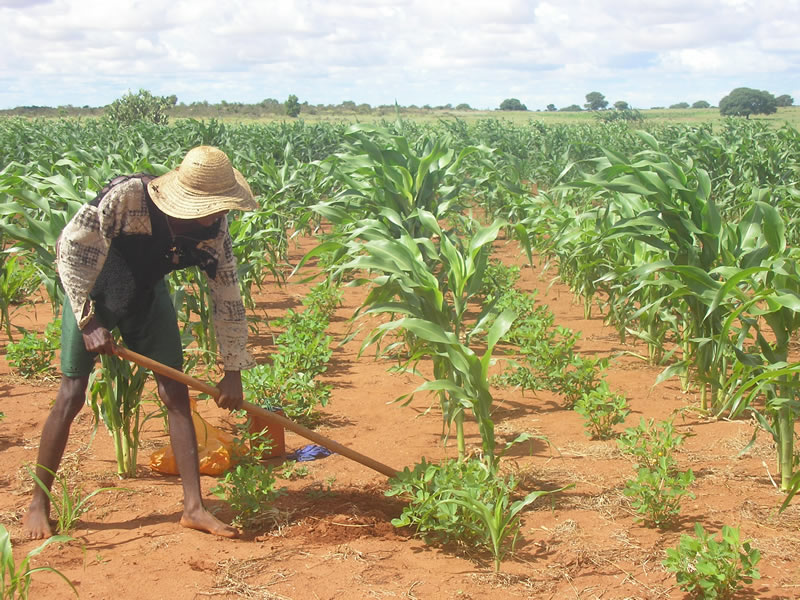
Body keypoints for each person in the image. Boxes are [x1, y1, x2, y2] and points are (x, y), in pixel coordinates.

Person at [23, 146, 257, 539]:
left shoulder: (215, 230)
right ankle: (37, 503)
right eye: (213, 206)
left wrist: (232, 369)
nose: (220, 214)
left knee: (176, 392)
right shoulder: (129, 197)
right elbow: (71, 248)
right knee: (72, 392)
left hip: (146, 297)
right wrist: (87, 320)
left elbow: (227, 295)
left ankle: (194, 508)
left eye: (223, 205)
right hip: (93, 290)